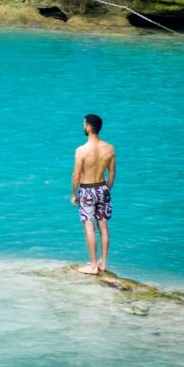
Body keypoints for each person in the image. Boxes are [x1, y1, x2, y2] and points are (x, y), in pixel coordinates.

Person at [70, 113, 116, 274]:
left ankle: (93, 266)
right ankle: (103, 263)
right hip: (102, 188)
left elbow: (76, 175)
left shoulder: (81, 150)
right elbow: (111, 173)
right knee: (103, 226)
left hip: (87, 190)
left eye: (84, 124)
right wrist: (106, 190)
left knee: (89, 227)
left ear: (89, 127)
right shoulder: (109, 148)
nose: (84, 127)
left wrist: (74, 194)